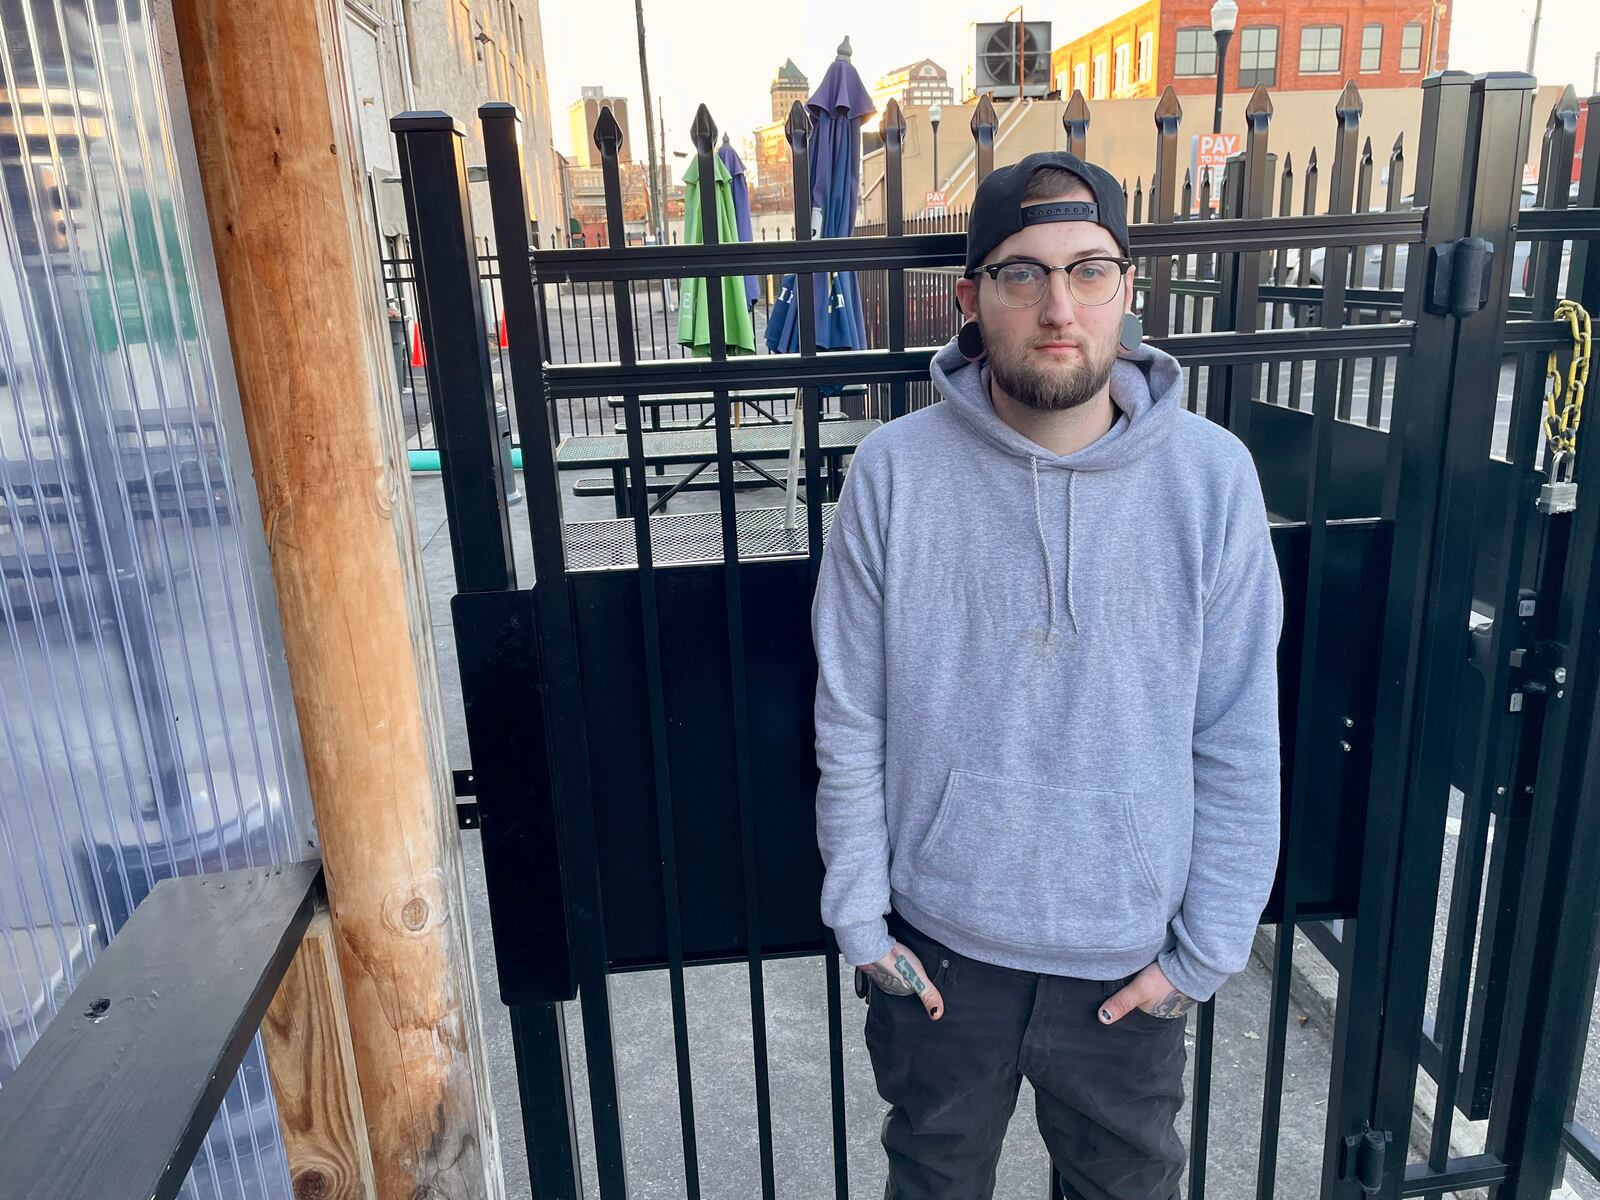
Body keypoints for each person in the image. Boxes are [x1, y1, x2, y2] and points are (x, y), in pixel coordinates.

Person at [810, 150, 1284, 1200]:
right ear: (973, 299)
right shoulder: (892, 473)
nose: (1058, 305)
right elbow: (850, 716)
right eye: (1022, 274)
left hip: (1126, 962)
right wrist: (860, 924)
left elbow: (1237, 734)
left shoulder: (1210, 480)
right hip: (938, 959)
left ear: (1128, 288)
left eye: (1089, 270)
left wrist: (1201, 956)